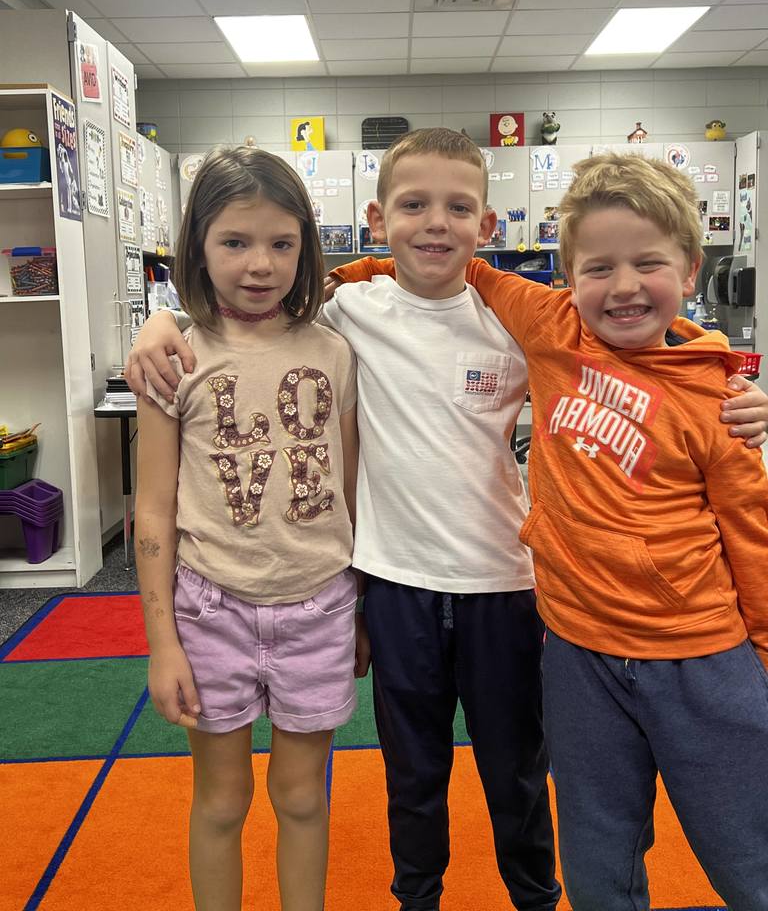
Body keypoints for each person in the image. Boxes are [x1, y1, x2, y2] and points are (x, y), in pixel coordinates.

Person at [126, 132, 768, 911]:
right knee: (414, 774)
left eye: (458, 207)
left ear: (487, 226)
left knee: (517, 770)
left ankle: (534, 895)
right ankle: (417, 896)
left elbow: (631, 331)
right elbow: (282, 293)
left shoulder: (522, 318)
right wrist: (157, 327)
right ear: (377, 217)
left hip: (505, 582)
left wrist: (721, 368)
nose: (435, 223)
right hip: (394, 585)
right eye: (414, 206)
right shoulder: (349, 311)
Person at [333, 151, 768, 911]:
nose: (625, 285)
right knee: (577, 846)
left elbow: (753, 533)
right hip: (556, 637)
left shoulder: (710, 392)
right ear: (568, 278)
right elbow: (433, 263)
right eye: (598, 267)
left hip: (664, 640)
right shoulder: (533, 320)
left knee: (734, 848)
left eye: (648, 263)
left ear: (692, 271)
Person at [133, 145, 363, 911]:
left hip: (321, 603)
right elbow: (154, 512)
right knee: (223, 801)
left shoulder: (335, 350)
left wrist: (361, 608)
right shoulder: (176, 359)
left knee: (301, 798)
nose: (259, 264)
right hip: (210, 608)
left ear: (306, 246)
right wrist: (162, 640)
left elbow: (352, 488)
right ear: (199, 244)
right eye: (234, 242)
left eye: (281, 243)